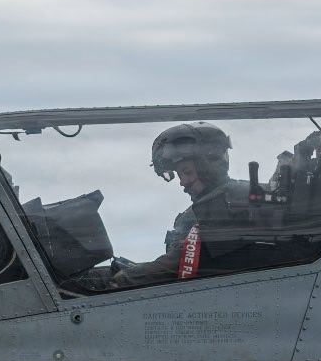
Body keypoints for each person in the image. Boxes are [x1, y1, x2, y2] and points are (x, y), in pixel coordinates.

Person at [108, 122, 252, 289]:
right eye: (179, 174)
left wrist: (124, 279)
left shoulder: (229, 205)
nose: (183, 182)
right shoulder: (219, 202)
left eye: (187, 172)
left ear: (207, 168)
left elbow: (176, 264)